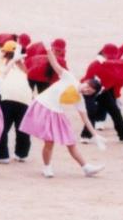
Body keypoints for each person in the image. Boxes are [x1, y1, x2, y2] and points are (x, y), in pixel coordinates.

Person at [18, 44, 106, 178]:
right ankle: (47, 167)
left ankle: (86, 167)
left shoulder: (79, 99)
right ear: (86, 82)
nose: (87, 90)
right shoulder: (70, 78)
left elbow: (85, 118)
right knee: (49, 141)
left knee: (71, 141)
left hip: (56, 113)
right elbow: (54, 64)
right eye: (88, 86)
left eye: (90, 91)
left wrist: (95, 135)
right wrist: (48, 49)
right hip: (43, 106)